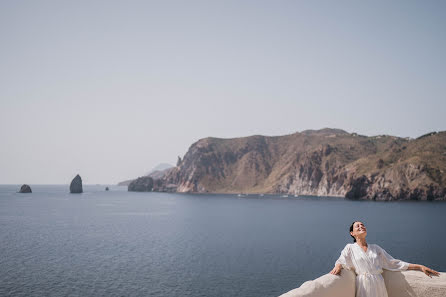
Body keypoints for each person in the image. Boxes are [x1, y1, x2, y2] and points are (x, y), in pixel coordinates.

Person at [330, 221, 439, 297]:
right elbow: (342, 259)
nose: (361, 227)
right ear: (352, 233)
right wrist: (338, 265)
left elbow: (393, 263)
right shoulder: (350, 248)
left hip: (378, 283)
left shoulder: (376, 248)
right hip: (363, 286)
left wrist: (420, 267)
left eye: (363, 225)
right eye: (357, 226)